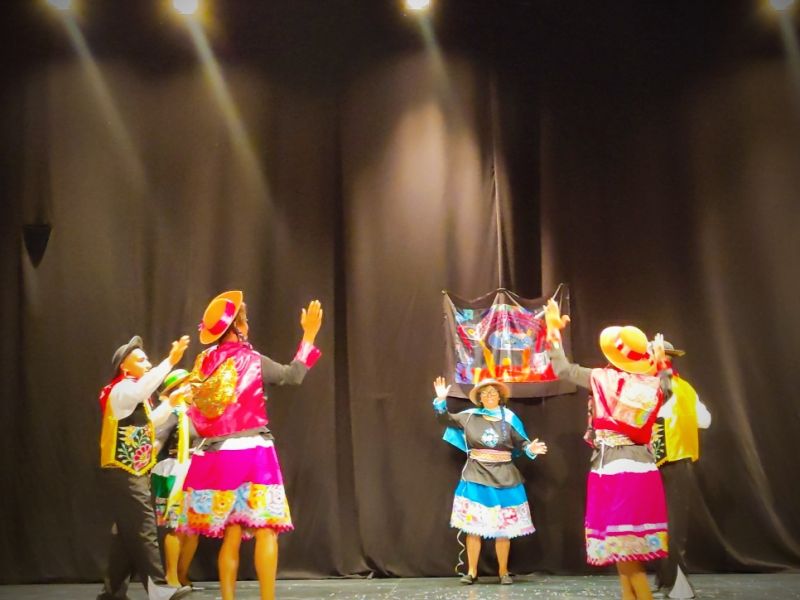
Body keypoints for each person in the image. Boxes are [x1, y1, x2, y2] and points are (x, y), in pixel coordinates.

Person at [178, 291, 323, 600]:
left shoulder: (202, 362)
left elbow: (194, 407)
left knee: (230, 533)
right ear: (239, 325)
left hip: (215, 456)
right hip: (253, 454)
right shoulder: (252, 360)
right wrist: (308, 335)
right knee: (266, 529)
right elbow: (291, 376)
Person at [544, 299, 669, 600]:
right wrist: (662, 361)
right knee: (626, 557)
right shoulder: (655, 385)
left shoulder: (601, 378)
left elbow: (562, 368)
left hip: (613, 469)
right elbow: (667, 385)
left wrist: (552, 331)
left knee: (628, 561)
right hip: (642, 469)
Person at [97, 335, 192, 600]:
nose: (148, 363)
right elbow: (142, 391)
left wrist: (171, 404)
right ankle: (159, 589)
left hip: (133, 471)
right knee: (144, 526)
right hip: (123, 471)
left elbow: (150, 424)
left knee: (126, 532)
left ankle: (112, 593)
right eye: (141, 359)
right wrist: (170, 362)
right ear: (125, 368)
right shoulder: (122, 389)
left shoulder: (134, 395)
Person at [432, 375, 548, 585]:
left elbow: (522, 444)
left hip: (505, 477)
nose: (489, 395)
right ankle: (472, 571)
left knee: (503, 529)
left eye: (493, 392)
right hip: (476, 476)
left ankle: (503, 571)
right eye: (485, 393)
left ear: (500, 396)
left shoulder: (510, 418)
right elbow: (444, 419)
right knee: (473, 528)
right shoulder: (469, 416)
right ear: (480, 398)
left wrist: (530, 448)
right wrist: (441, 400)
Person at [651, 342, 711, 600]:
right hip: (673, 463)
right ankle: (670, 580)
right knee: (671, 524)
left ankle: (670, 580)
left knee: (661, 523)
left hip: (651, 464)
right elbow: (705, 420)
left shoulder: (644, 388)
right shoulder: (685, 389)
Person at [151, 369, 200, 590]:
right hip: (172, 470)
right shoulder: (172, 413)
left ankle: (182, 574)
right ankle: (171, 576)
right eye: (186, 385)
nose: (191, 388)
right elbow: (158, 439)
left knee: (194, 529)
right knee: (175, 526)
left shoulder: (198, 413)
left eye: (192, 384)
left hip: (197, 469)